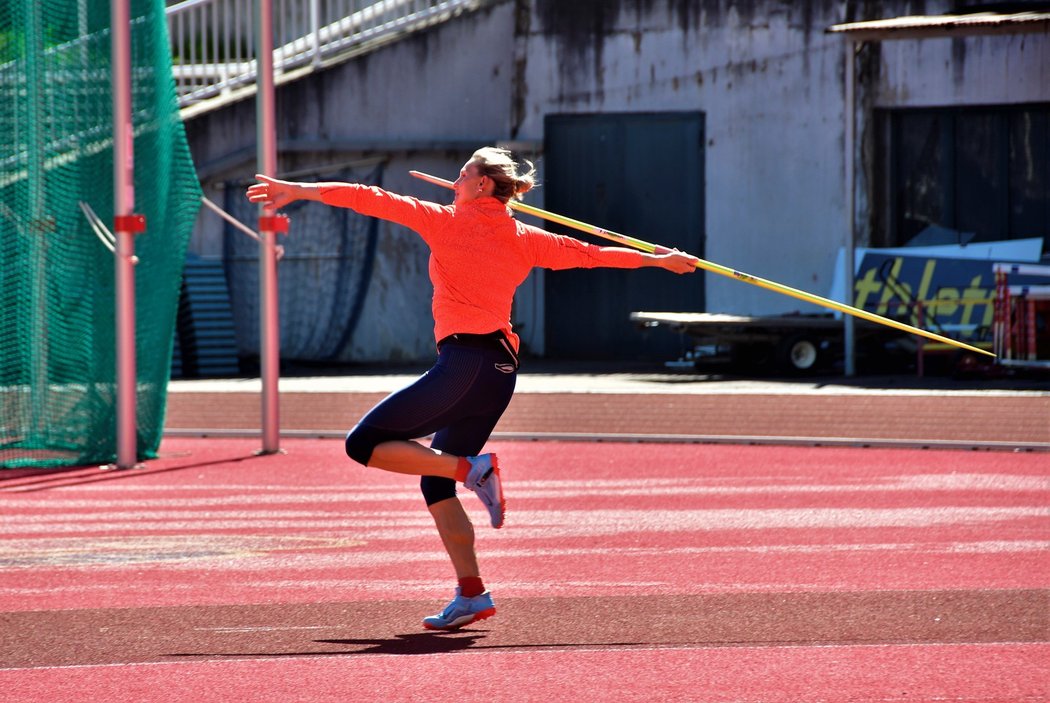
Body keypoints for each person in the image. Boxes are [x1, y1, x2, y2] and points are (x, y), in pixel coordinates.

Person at [246, 147, 698, 630]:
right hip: (499, 373)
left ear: (483, 185)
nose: (454, 179)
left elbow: (367, 197)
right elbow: (591, 256)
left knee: (363, 444)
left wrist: (297, 190)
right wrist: (659, 261)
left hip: (466, 363)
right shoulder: (525, 237)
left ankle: (473, 470)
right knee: (433, 480)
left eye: (463, 174)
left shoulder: (445, 221)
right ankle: (472, 593)